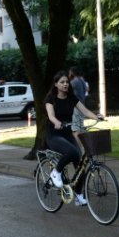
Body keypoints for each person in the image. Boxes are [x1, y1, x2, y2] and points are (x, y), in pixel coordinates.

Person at [45, 71, 102, 206]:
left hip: (67, 133)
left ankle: (78, 195)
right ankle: (56, 172)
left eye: (66, 82)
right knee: (71, 152)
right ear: (56, 84)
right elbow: (51, 115)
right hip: (54, 134)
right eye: (62, 82)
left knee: (81, 163)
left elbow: (85, 111)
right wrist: (56, 122)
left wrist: (96, 117)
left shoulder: (71, 97)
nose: (65, 84)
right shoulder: (50, 99)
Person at [69, 67, 88, 148]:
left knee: (76, 130)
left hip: (76, 108)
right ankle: (84, 148)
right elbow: (86, 90)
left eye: (69, 72)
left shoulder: (73, 82)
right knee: (81, 128)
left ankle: (79, 148)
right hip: (82, 107)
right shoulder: (82, 81)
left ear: (72, 73)